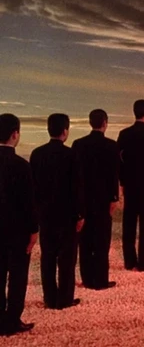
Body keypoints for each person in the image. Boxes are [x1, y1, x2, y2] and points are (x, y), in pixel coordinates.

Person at [30, 114, 84, 310]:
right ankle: (65, 298)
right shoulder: (71, 155)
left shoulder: (37, 154)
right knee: (67, 259)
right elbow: (77, 188)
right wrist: (80, 214)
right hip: (67, 215)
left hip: (45, 214)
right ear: (65, 131)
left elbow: (33, 187)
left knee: (48, 257)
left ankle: (49, 297)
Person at [72, 109, 119, 290]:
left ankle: (87, 277)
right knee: (102, 240)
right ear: (105, 123)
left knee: (85, 240)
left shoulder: (78, 144)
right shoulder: (111, 145)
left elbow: (75, 175)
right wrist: (114, 197)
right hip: (103, 199)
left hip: (83, 198)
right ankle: (100, 279)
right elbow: (114, 175)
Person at [0, 114, 38, 336]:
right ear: (15, 134)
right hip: (17, 231)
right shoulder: (21, 165)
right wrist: (34, 230)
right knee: (17, 276)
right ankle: (12, 320)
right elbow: (28, 203)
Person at [117, 100, 144, 272]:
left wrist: (122, 181)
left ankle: (129, 261)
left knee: (128, 223)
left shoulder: (124, 134)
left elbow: (119, 161)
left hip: (130, 185)